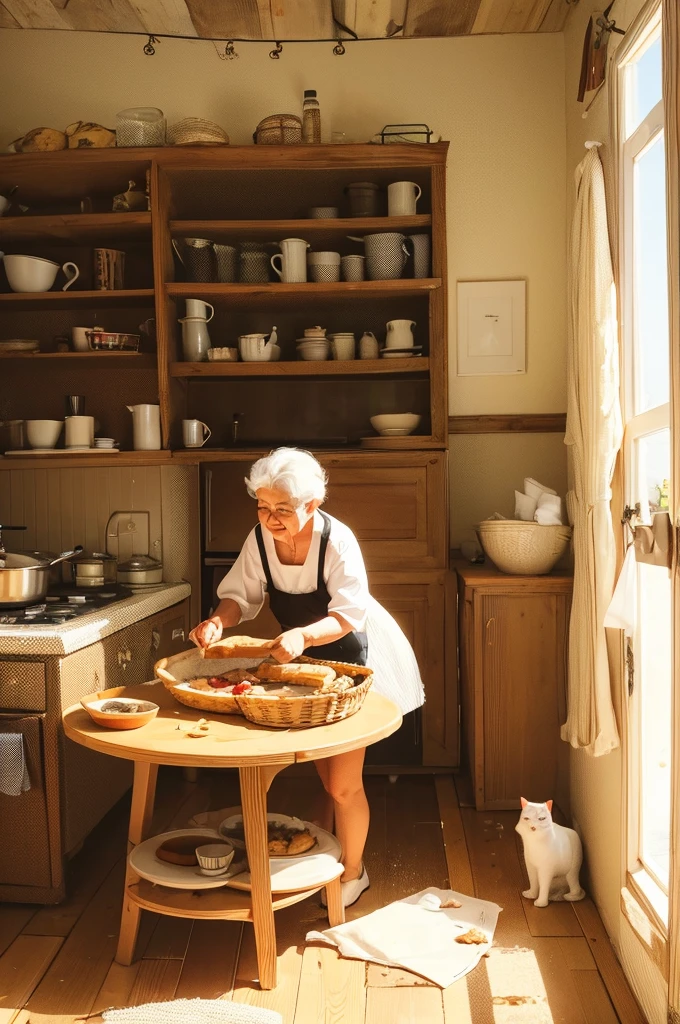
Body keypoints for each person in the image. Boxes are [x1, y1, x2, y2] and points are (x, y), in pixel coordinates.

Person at [190, 447, 424, 907]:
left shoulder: (338, 541)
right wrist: (218, 620)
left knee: (343, 784)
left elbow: (348, 616)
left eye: (282, 509)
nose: (270, 518)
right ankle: (325, 854)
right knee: (323, 774)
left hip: (352, 657)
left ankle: (354, 873)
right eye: (262, 506)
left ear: (312, 506)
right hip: (305, 664)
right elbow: (240, 595)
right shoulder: (259, 539)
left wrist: (302, 636)